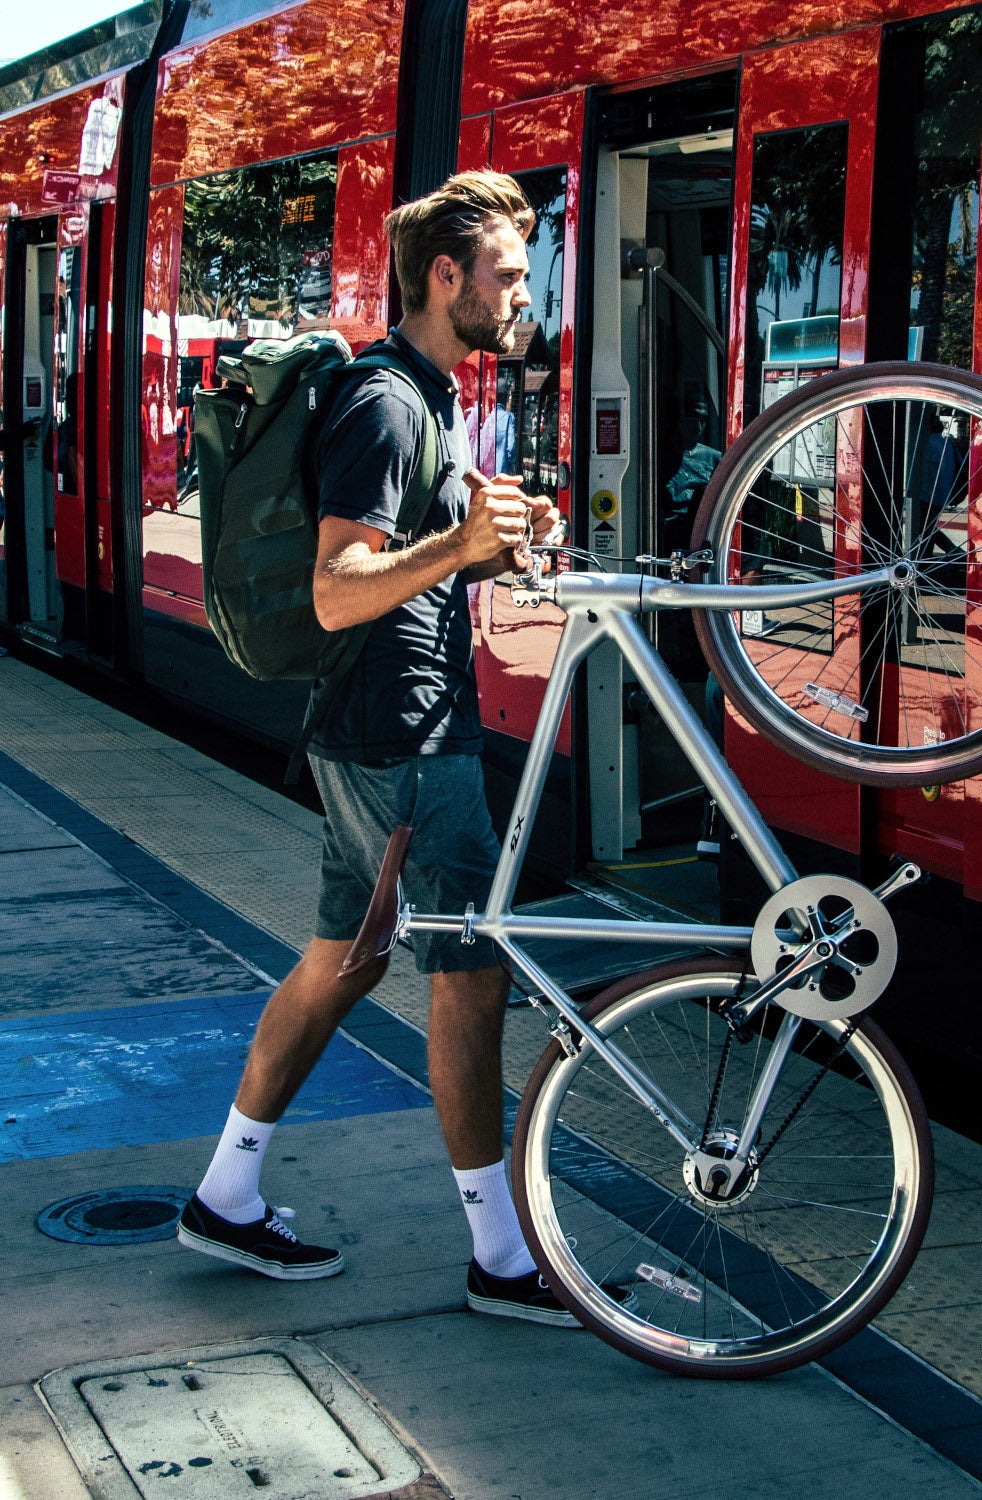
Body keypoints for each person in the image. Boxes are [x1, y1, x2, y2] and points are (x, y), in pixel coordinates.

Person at [176, 170, 625, 1326]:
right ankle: (502, 1260)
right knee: (467, 983)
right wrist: (460, 543)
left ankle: (226, 1191)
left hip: (375, 728)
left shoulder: (423, 393)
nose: (523, 296)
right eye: (508, 275)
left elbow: (400, 560)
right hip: (400, 733)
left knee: (346, 959)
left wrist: (482, 546)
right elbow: (336, 590)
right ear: (446, 277)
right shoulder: (387, 402)